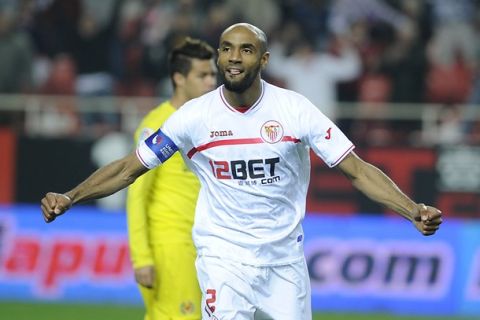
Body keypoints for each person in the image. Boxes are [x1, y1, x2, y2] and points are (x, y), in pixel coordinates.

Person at [41, 23, 443, 320]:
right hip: (224, 259)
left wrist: (412, 210)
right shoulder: (193, 117)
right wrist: (71, 196)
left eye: (246, 50)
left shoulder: (294, 110)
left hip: (284, 261)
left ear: (263, 59)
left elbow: (355, 169)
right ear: (218, 56)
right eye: (227, 49)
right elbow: (130, 168)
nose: (234, 57)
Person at [126, 37, 217, 320]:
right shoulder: (157, 126)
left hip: (206, 241)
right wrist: (142, 257)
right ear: (178, 78)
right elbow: (137, 194)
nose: (211, 82)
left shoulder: (207, 121)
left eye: (213, 74)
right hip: (172, 243)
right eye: (202, 75)